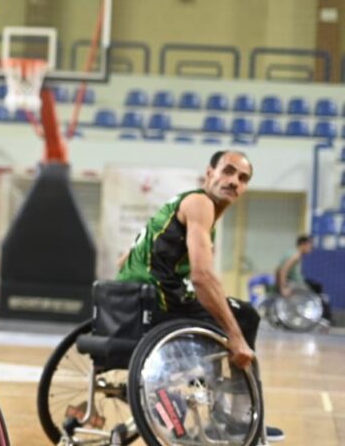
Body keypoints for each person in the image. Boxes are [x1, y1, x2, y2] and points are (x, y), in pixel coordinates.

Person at [117, 150, 282, 441]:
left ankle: (214, 406)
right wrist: (236, 337)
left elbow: (123, 261)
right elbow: (202, 277)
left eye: (243, 178)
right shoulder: (200, 204)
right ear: (209, 173)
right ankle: (237, 417)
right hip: (158, 301)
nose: (234, 181)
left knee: (217, 311)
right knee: (243, 315)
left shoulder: (181, 206)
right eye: (228, 171)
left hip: (131, 302)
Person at [275, 234, 331, 323]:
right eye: (310, 245)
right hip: (294, 284)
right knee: (323, 298)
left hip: (296, 282)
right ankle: (323, 320)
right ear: (303, 244)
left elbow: (278, 270)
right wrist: (283, 288)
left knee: (317, 286)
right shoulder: (295, 255)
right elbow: (283, 270)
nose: (311, 248)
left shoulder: (291, 252)